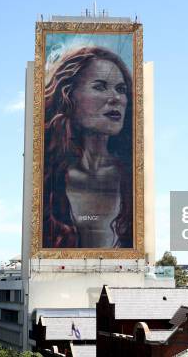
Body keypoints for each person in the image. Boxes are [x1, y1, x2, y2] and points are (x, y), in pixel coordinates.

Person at [43, 46, 133, 248]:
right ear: (68, 95)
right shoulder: (48, 177)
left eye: (121, 89)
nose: (115, 98)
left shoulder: (131, 177)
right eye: (100, 87)